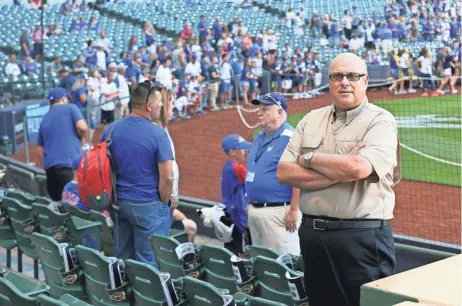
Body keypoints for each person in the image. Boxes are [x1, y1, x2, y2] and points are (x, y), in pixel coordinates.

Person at [277, 53, 400, 306]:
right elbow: (284, 172)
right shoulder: (311, 118)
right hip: (312, 236)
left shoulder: (381, 121)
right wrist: (338, 173)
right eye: (337, 76)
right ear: (329, 81)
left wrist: (308, 159)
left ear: (365, 81)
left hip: (361, 239)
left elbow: (357, 169)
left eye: (352, 76)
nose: (344, 82)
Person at [101, 80, 174, 267]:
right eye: (159, 102)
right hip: (147, 204)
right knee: (149, 264)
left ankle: (124, 296)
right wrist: (164, 201)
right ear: (149, 106)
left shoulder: (111, 129)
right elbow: (167, 177)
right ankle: (148, 296)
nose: (161, 106)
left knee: (123, 260)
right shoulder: (158, 134)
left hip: (119, 204)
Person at [245, 93, 301, 255]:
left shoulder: (291, 138)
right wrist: (251, 201)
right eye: (259, 109)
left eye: (265, 109)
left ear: (280, 112)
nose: (259, 112)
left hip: (278, 212)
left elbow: (299, 177)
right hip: (256, 211)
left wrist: (294, 209)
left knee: (282, 263)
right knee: (261, 263)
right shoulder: (260, 136)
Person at [154, 84, 197, 242]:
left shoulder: (161, 129)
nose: (173, 107)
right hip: (162, 203)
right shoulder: (159, 133)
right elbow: (167, 174)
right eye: (171, 103)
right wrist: (170, 198)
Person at [37, 87, 88, 201]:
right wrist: (82, 139)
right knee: (75, 207)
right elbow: (83, 127)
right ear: (63, 99)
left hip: (51, 171)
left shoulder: (44, 119)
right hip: (68, 167)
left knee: (57, 210)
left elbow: (39, 151)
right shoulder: (70, 108)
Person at [221, 133, 252, 256]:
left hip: (230, 212)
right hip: (239, 217)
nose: (245, 151)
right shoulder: (237, 168)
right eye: (242, 148)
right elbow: (253, 181)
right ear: (233, 152)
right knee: (242, 253)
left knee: (233, 250)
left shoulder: (227, 166)